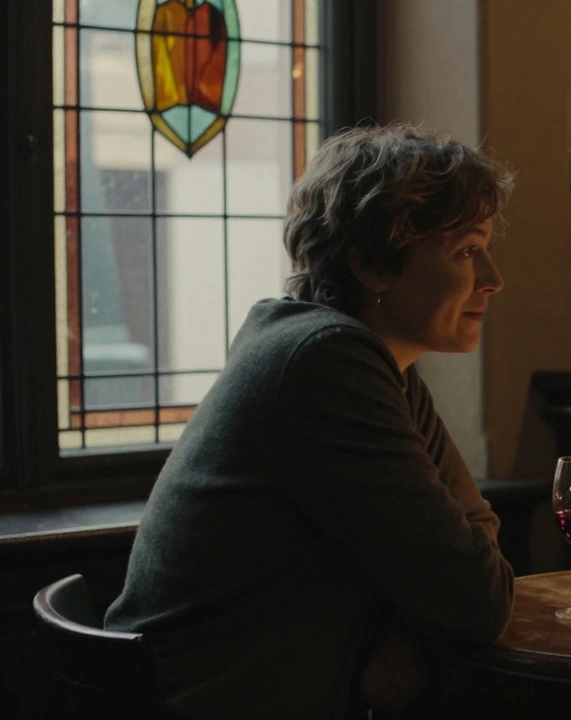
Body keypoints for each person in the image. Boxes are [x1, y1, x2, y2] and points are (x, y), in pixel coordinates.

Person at [105, 123, 516, 719]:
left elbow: (475, 551)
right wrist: (407, 633)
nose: (493, 279)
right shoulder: (324, 362)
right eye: (465, 251)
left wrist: (401, 639)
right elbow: (476, 596)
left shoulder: (377, 367)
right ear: (373, 264)